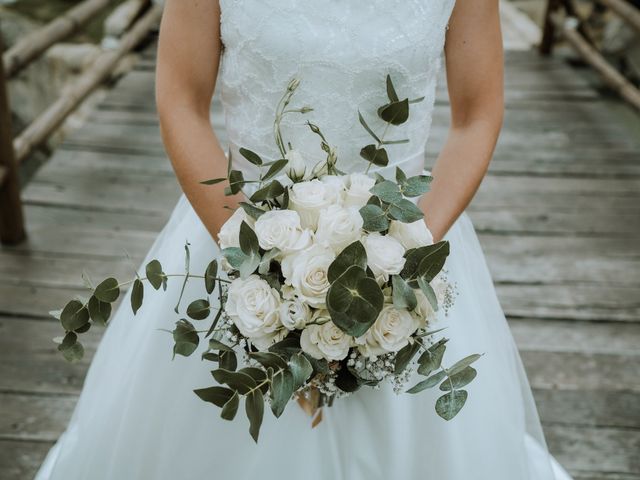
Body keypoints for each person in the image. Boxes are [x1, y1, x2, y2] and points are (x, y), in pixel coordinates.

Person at [35, 1, 573, 478]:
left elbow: (476, 116)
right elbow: (180, 98)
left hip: (405, 245)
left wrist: (400, 266)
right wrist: (263, 269)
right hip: (233, 234)